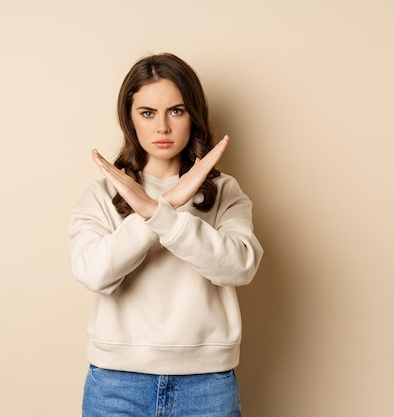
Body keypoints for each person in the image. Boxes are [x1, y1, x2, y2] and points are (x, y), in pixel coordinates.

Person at [68, 52, 263, 417]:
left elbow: (240, 267)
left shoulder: (224, 192)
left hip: (207, 385)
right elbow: (93, 273)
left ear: (194, 115)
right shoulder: (101, 194)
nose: (162, 127)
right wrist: (162, 207)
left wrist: (160, 213)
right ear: (129, 118)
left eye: (176, 110)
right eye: (147, 113)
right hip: (117, 384)